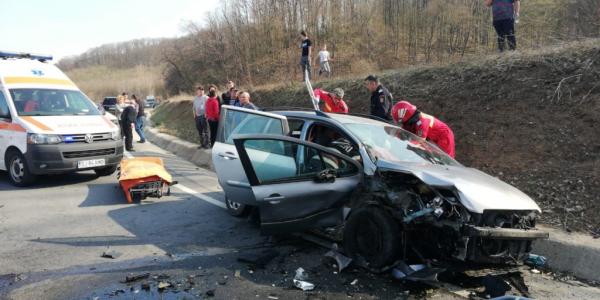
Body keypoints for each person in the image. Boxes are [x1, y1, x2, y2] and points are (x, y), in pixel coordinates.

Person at [391, 101, 455, 158]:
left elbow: (419, 140)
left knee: (446, 158)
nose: (402, 124)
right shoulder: (411, 120)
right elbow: (403, 132)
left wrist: (406, 145)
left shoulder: (422, 121)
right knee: (432, 154)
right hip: (432, 137)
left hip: (445, 135)